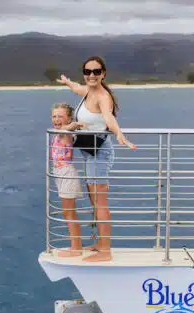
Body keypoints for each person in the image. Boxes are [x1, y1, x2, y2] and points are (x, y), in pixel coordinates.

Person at [56, 55, 136, 262]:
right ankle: (100, 244)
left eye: (96, 71)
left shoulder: (103, 97)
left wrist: (119, 134)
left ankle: (105, 251)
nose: (92, 75)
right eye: (88, 72)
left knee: (100, 203)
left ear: (103, 74)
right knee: (94, 200)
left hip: (100, 153)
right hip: (90, 153)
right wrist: (67, 83)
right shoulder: (87, 92)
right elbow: (76, 88)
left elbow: (109, 117)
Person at [50, 103, 87, 257]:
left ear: (69, 118)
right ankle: (75, 246)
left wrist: (74, 124)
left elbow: (69, 129)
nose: (56, 119)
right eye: (54, 116)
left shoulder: (66, 133)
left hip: (67, 174)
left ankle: (76, 248)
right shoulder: (58, 131)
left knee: (69, 213)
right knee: (68, 213)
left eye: (60, 116)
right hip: (60, 173)